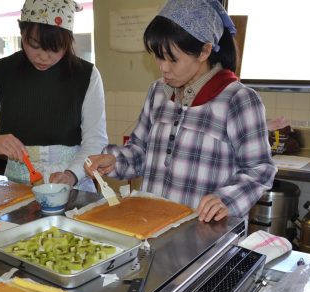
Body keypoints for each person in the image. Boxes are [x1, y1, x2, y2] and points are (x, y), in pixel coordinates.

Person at [85, 0, 276, 222]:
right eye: (158, 56)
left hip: (202, 230)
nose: (163, 67)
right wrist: (115, 161)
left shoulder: (238, 100)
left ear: (204, 51)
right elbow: (140, 150)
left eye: (172, 59)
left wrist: (226, 199)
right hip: (151, 223)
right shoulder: (158, 92)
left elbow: (259, 169)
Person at [0, 0, 107, 191]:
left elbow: (95, 141)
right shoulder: (1, 71)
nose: (43, 57)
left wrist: (71, 175)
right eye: (34, 45)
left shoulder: (87, 75)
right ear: (22, 32)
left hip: (73, 183)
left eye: (55, 48)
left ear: (68, 41)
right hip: (17, 187)